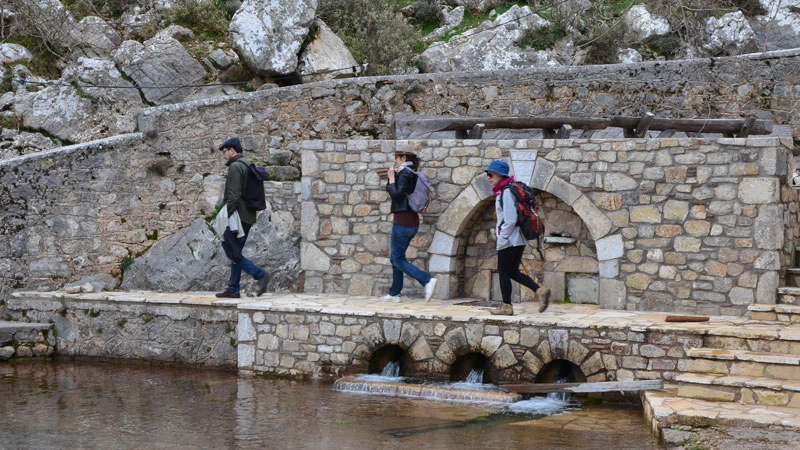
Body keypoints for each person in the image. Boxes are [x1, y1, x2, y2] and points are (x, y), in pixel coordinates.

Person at [485, 159, 550, 315]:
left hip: (509, 240)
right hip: (518, 239)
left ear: (500, 175)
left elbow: (511, 219)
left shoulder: (506, 192)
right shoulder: (507, 190)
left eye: (491, 174)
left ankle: (506, 306)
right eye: (488, 174)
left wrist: (502, 237)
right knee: (513, 271)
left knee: (503, 272)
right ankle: (540, 291)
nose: (489, 177)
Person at [215, 137, 270, 299]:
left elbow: (234, 196)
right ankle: (233, 288)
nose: (223, 155)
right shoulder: (246, 164)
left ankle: (260, 275)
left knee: (233, 253)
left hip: (237, 216)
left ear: (233, 151)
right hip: (247, 215)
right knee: (235, 251)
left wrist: (224, 215)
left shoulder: (235, 167)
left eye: (225, 152)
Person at [383, 150, 437, 302]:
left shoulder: (406, 173)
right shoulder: (409, 172)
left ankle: (426, 280)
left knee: (398, 259)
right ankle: (395, 292)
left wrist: (392, 178)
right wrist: (393, 178)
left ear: (403, 158)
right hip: (409, 221)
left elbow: (397, 195)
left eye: (397, 158)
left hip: (403, 222)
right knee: (396, 257)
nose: (395, 161)